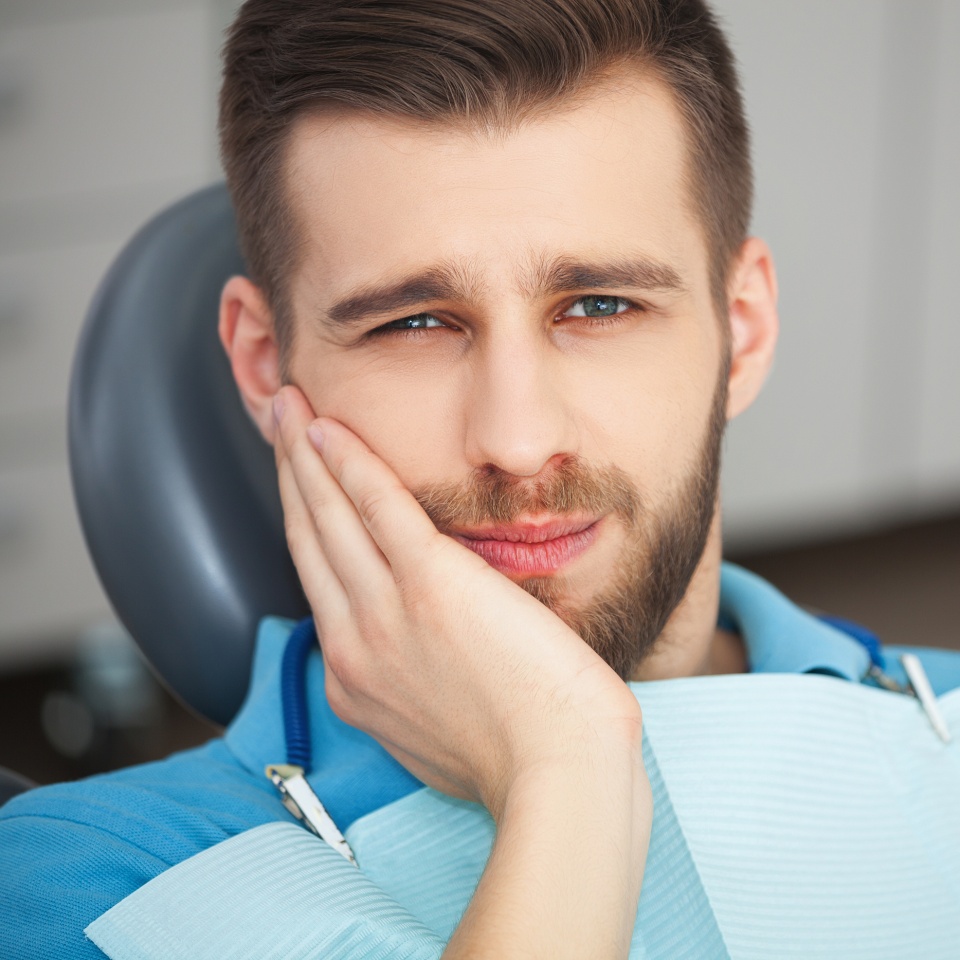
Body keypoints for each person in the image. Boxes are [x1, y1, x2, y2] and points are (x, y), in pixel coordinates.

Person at [2, 1, 959, 957]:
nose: (518, 439)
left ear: (742, 330)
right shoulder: (88, 884)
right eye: (414, 323)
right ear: (263, 365)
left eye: (599, 305)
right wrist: (564, 772)